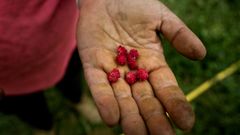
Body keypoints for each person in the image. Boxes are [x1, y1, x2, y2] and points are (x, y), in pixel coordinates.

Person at [0, 0, 206, 135]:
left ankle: (77, 100)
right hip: (6, 73)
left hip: (61, 38)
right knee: (28, 107)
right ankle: (44, 128)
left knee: (71, 77)